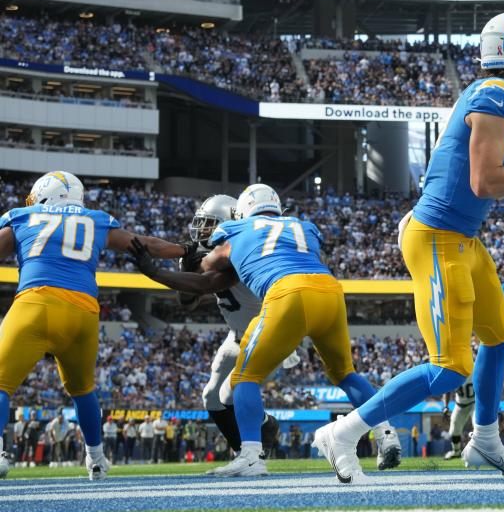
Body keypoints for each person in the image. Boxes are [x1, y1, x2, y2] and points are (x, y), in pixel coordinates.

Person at [309, 11, 504, 483]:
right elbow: (483, 181)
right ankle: (345, 432)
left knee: (501, 334)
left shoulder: (499, 96)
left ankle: (485, 440)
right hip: (439, 237)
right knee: (451, 366)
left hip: (462, 238)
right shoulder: (497, 93)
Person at [130, 183, 399, 478]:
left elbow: (205, 277)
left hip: (284, 300)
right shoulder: (301, 225)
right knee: (345, 373)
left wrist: (163, 269)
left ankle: (250, 455)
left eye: (210, 226)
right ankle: (386, 433)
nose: (204, 231)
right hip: (329, 292)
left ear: (237, 215)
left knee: (246, 377)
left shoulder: (235, 233)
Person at [0, 171, 188, 479]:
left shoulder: (23, 215)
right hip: (83, 312)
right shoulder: (97, 219)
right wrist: (185, 249)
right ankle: (97, 459)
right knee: (83, 390)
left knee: (1, 383)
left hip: (35, 303)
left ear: (46, 195)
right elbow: (145, 244)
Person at [179, 195, 300, 461]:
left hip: (265, 336)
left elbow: (203, 283)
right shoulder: (215, 253)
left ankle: (263, 427)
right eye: (201, 224)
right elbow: (187, 302)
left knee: (227, 395)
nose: (203, 231)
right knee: (210, 396)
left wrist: (185, 269)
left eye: (210, 224)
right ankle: (241, 452)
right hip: (238, 337)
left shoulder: (240, 253)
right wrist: (189, 265)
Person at [443, 378, 475, 460]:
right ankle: (456, 451)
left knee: (478, 425)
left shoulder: (475, 368)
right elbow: (447, 390)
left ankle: (480, 452)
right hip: (460, 404)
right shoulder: (454, 371)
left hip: (474, 402)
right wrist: (446, 406)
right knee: (454, 428)